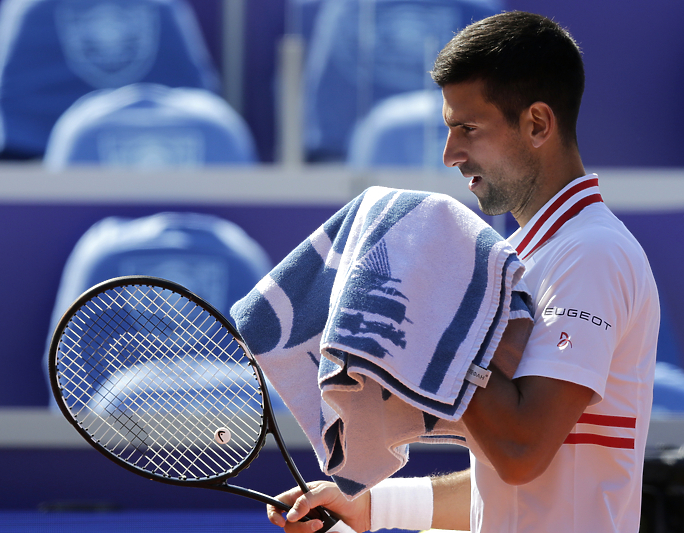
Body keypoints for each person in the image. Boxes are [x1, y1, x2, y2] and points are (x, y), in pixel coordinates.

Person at [267, 11, 659, 533]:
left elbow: (521, 450)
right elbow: (507, 482)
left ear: (538, 124)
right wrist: (373, 507)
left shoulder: (590, 252)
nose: (450, 154)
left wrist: (442, 319)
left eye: (467, 129)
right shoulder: (523, 257)